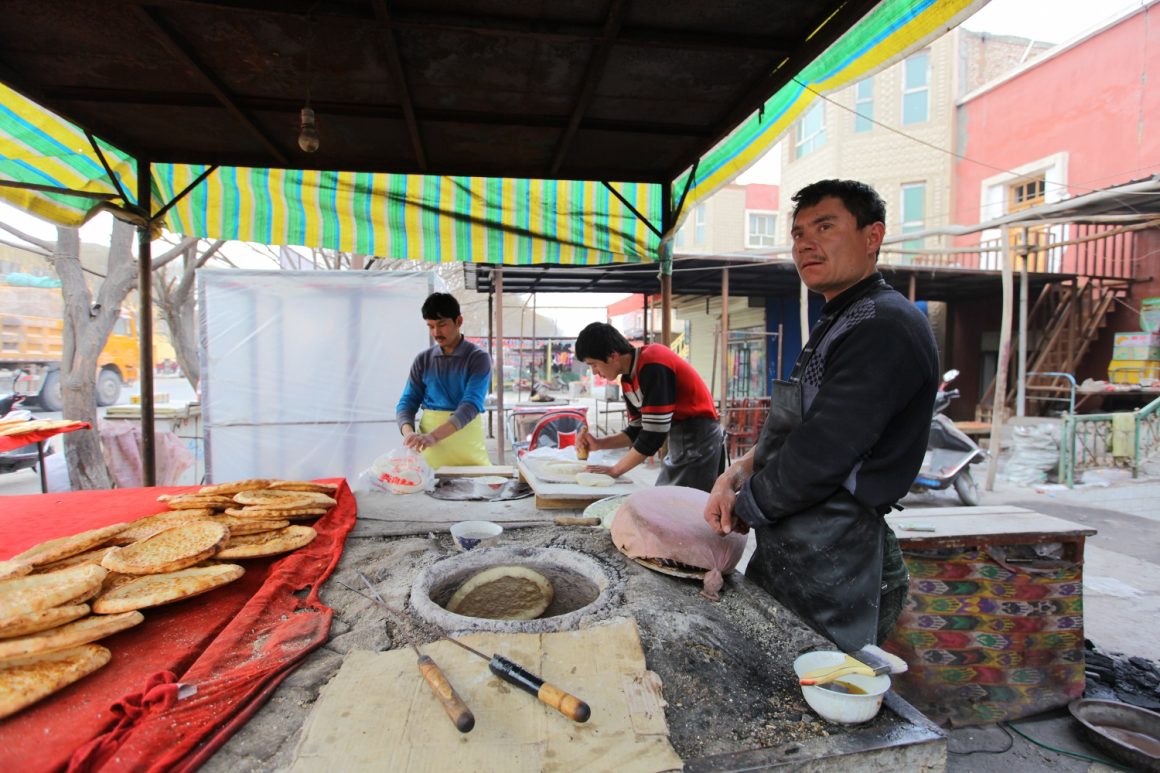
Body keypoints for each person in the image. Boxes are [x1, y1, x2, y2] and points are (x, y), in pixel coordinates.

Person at [704, 179, 938, 651]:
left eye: (824, 226)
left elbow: (823, 450)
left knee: (820, 679)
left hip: (837, 551)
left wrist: (746, 508)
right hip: (800, 539)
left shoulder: (882, 324)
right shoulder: (841, 317)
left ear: (872, 236)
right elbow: (801, 425)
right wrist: (739, 470)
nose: (804, 243)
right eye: (797, 233)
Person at [574, 322, 724, 492]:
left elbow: (654, 434)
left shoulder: (653, 361)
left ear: (613, 356)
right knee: (667, 499)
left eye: (593, 364)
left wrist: (616, 470)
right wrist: (599, 443)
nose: (594, 372)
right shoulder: (628, 380)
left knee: (683, 504)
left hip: (699, 437)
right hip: (680, 437)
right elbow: (637, 431)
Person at [396, 292, 493, 468]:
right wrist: (409, 433)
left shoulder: (478, 358)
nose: (436, 332)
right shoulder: (423, 360)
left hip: (466, 444)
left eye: (442, 325)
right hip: (427, 448)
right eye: (430, 326)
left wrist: (433, 436)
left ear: (459, 321)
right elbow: (407, 403)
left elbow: (470, 405)